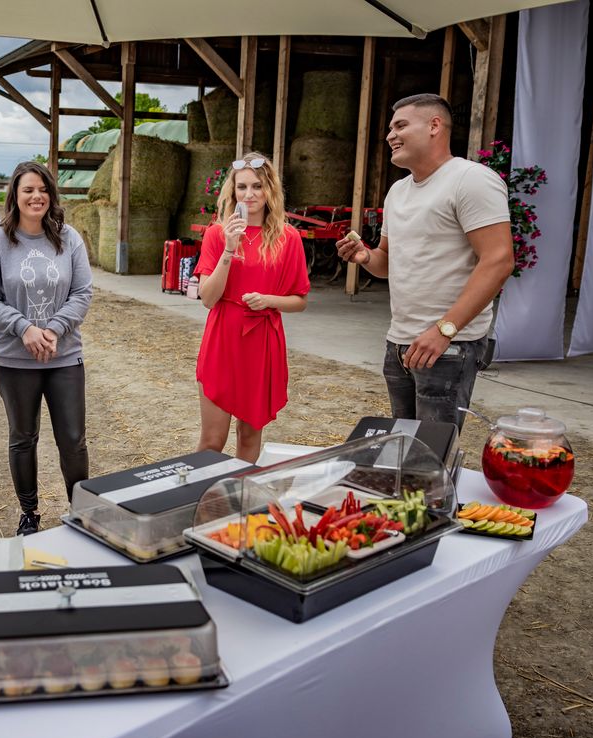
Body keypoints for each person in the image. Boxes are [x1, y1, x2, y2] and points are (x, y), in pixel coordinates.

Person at [337, 93, 513, 430]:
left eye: (401, 125)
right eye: (390, 128)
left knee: (432, 452)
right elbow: (385, 263)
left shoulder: (470, 179)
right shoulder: (398, 191)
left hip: (449, 345)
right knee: (405, 448)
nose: (390, 135)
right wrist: (365, 257)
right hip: (401, 342)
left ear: (435, 126)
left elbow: (499, 260)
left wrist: (444, 329)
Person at [0, 161, 92, 535]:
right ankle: (29, 514)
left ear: (51, 195)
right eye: (28, 190)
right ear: (15, 195)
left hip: (64, 356)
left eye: (42, 189)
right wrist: (24, 328)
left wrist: (54, 329)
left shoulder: (69, 238)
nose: (36, 196)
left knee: (73, 439)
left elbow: (82, 293)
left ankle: (81, 510)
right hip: (13, 360)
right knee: (23, 437)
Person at [194, 152, 310, 464]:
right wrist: (229, 250)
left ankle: (237, 507)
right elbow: (207, 298)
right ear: (232, 193)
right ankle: (200, 506)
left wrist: (270, 300)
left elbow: (299, 300)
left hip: (262, 342)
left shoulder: (289, 238)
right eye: (242, 187)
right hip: (223, 337)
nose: (249, 194)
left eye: (257, 186)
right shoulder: (218, 234)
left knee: (249, 436)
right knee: (211, 441)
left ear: (270, 190)